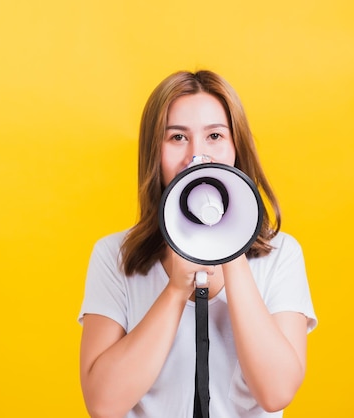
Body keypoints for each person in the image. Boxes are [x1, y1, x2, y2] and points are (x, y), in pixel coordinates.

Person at [78, 70, 317, 418]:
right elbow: (103, 404)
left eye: (215, 135)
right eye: (177, 137)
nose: (197, 155)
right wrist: (175, 290)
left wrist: (230, 243)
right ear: (154, 152)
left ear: (236, 147)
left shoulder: (280, 255)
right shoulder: (115, 257)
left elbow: (276, 391)